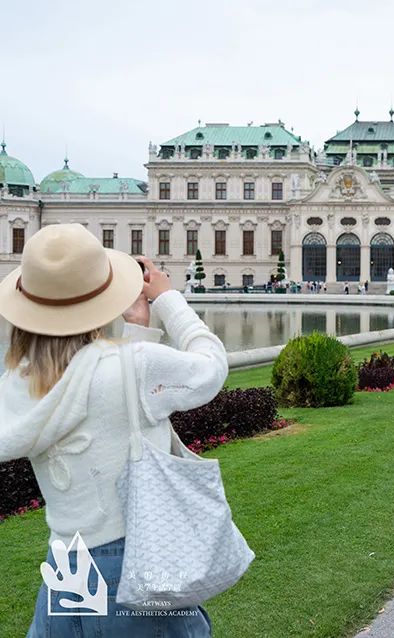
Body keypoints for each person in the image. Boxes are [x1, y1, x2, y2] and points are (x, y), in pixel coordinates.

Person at [0, 223, 229, 636]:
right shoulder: (131, 365)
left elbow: (107, 398)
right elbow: (211, 368)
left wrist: (138, 328)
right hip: (135, 563)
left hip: (66, 565)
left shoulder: (18, 382)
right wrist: (168, 299)